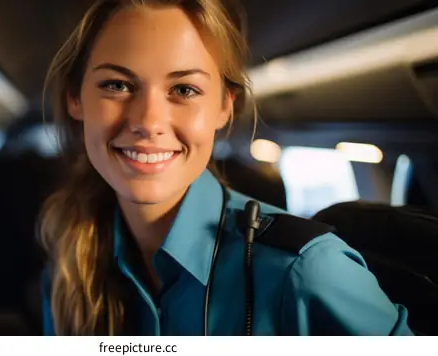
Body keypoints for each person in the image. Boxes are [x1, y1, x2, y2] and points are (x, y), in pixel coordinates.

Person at [38, 0, 413, 336]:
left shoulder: (308, 271)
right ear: (76, 98)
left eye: (184, 89)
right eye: (117, 85)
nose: (148, 122)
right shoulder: (69, 269)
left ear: (223, 107)